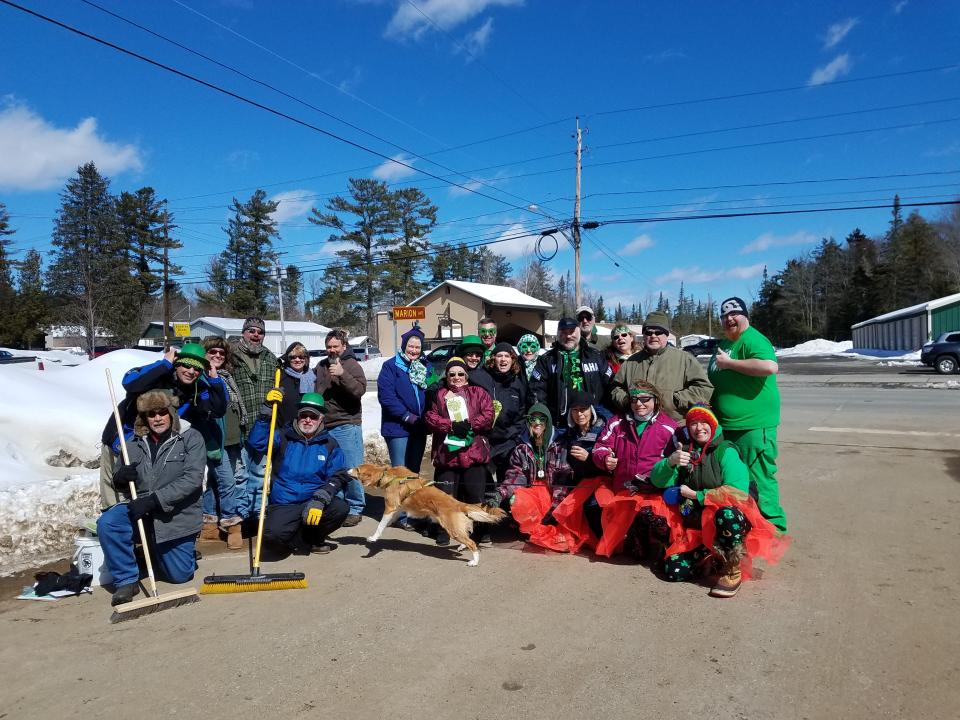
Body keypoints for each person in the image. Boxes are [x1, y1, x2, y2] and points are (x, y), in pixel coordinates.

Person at [647, 405, 788, 598]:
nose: (699, 428)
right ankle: (711, 557)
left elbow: (737, 492)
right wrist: (670, 461)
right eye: (693, 424)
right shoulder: (686, 452)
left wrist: (697, 495)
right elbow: (657, 480)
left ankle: (732, 569)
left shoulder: (726, 451)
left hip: (727, 522)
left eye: (704, 422)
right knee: (674, 571)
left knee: (727, 514)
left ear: (713, 425)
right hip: (697, 526)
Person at [97, 390, 205, 606]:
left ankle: (170, 550)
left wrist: (154, 500)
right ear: (143, 418)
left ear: (171, 413)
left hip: (176, 515)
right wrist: (120, 477)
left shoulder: (190, 438)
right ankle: (126, 580)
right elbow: (121, 479)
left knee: (179, 575)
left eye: (162, 412)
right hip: (141, 509)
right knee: (109, 522)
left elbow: (192, 480)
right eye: (151, 414)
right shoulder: (133, 445)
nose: (157, 418)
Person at [99, 343, 227, 510]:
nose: (191, 371)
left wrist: (214, 379)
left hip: (152, 446)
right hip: (121, 438)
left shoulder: (196, 389)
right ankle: (112, 524)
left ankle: (141, 531)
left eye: (196, 368)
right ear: (177, 363)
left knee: (142, 494)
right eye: (186, 365)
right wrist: (164, 364)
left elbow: (217, 410)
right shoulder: (158, 374)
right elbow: (130, 383)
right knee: (115, 494)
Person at [708, 296, 787, 532]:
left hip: (753, 426)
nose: (729, 319)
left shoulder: (753, 338)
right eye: (724, 316)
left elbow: (769, 366)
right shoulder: (725, 344)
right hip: (728, 426)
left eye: (734, 314)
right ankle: (747, 527)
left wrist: (730, 363)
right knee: (737, 479)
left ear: (745, 316)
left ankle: (773, 529)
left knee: (760, 479)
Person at [247, 392, 350, 554]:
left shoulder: (330, 443)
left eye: (313, 417)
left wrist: (321, 498)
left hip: (313, 500)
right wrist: (266, 411)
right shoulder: (283, 436)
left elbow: (338, 475)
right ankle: (295, 537)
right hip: (285, 502)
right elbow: (257, 443)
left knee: (340, 508)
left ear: (321, 419)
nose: (308, 420)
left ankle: (312, 539)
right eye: (304, 415)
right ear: (298, 416)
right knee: (271, 537)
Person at [590, 380, 678, 558]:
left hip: (652, 492)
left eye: (645, 399)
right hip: (623, 490)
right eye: (634, 400)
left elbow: (677, 460)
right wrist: (605, 458)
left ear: (655, 400)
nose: (639, 404)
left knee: (651, 525)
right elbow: (600, 446)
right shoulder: (617, 422)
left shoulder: (669, 427)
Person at [498, 404, 592, 553]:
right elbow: (515, 476)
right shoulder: (521, 448)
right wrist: (501, 493)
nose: (537, 423)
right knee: (515, 499)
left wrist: (555, 510)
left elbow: (563, 480)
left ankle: (544, 526)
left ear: (548, 421)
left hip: (556, 495)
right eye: (532, 419)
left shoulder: (560, 445)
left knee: (563, 535)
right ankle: (531, 528)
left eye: (542, 419)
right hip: (534, 495)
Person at [424, 357, 494, 545]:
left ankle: (482, 530)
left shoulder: (478, 393)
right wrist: (451, 425)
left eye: (460, 374)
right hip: (447, 455)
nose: (456, 377)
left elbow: (488, 415)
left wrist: (469, 424)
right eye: (451, 374)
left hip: (473, 453)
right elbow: (431, 418)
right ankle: (444, 530)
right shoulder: (439, 395)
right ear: (446, 377)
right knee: (445, 496)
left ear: (467, 376)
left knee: (475, 495)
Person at [610, 311, 713, 422]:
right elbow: (616, 388)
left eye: (658, 332)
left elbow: (704, 388)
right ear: (643, 335)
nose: (653, 336)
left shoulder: (685, 359)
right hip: (638, 427)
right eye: (649, 332)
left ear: (666, 335)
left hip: (675, 427)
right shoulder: (630, 362)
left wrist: (675, 399)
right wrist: (627, 400)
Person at [315, 328, 368, 527]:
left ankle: (355, 507)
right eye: (329, 347)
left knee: (351, 467)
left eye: (335, 346)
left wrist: (342, 374)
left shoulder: (352, 365)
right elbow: (317, 390)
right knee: (332, 469)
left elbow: (359, 391)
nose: (332, 350)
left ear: (344, 347)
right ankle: (338, 505)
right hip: (326, 425)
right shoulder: (321, 366)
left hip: (347, 424)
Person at [230, 317, 279, 519]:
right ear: (243, 332)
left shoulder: (270, 358)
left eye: (260, 332)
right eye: (251, 331)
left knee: (259, 474)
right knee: (239, 476)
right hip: (239, 424)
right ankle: (241, 514)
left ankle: (258, 512)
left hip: (263, 425)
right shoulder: (231, 356)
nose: (255, 335)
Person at [200, 337, 245, 549]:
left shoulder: (227, 376)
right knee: (228, 482)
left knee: (215, 482)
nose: (218, 355)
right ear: (204, 353)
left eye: (221, 353)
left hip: (231, 437)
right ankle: (231, 525)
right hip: (214, 440)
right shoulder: (202, 378)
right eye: (213, 352)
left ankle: (209, 525)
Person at [529, 317, 612, 429]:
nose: (568, 336)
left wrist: (603, 415)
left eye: (572, 332)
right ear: (558, 334)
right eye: (564, 332)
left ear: (579, 331)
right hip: (559, 425)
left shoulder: (596, 356)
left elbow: (610, 387)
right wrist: (542, 418)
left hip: (593, 424)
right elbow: (537, 391)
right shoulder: (547, 360)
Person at [377, 326, 432, 473]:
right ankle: (398, 497)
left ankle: (412, 497)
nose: (414, 350)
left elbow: (433, 390)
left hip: (419, 426)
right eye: (410, 346)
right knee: (400, 472)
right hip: (397, 426)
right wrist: (406, 415)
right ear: (404, 346)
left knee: (414, 471)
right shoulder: (390, 366)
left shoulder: (426, 366)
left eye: (417, 347)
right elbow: (387, 397)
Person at [482, 342, 530, 489]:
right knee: (485, 484)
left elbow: (523, 413)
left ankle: (505, 510)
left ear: (512, 359)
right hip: (487, 441)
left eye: (507, 356)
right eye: (499, 356)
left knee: (507, 482)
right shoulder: (483, 378)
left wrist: (513, 436)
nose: (503, 360)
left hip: (509, 441)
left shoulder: (518, 383)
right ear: (493, 359)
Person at [277, 342, 315, 427]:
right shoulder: (280, 376)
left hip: (308, 427)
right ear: (287, 359)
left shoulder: (313, 376)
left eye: (301, 357)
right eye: (293, 357)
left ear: (306, 359)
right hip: (285, 427)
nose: (297, 360)